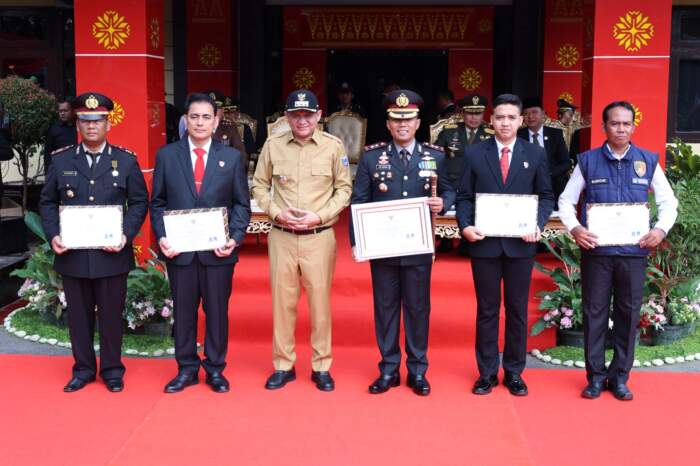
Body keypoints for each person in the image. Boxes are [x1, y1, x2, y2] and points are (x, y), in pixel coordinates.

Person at [558, 101, 678, 401]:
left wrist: (660, 230)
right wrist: (576, 229)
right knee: (595, 313)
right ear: (604, 127)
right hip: (597, 253)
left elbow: (669, 203)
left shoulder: (647, 161)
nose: (621, 129)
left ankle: (620, 377)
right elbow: (565, 201)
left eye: (626, 124)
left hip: (633, 252)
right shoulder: (588, 161)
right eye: (615, 124)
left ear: (633, 127)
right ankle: (595, 377)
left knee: (628, 313)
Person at [38, 92, 148, 393]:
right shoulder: (61, 161)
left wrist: (125, 235)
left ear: (107, 125)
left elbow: (139, 202)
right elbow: (47, 202)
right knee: (78, 317)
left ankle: (112, 370)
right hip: (73, 253)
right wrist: (53, 235)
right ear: (78, 124)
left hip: (111, 254)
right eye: (85, 121)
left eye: (97, 121)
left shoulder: (125, 161)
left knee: (112, 316)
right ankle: (83, 369)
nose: (91, 127)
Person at [350, 89, 456, 396]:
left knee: (417, 308)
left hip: (418, 246)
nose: (403, 125)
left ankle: (418, 370)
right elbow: (359, 201)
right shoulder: (372, 157)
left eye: (408, 119)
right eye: (397, 120)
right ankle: (388, 368)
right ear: (388, 123)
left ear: (419, 121)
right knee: (385, 309)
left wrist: (442, 204)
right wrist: (358, 242)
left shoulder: (434, 155)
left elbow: (449, 191)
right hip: (382, 248)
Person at [252, 89, 352, 392]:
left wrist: (319, 217)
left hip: (318, 238)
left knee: (320, 305)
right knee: (283, 304)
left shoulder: (333, 147)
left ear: (319, 116)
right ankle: (283, 364)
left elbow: (344, 189)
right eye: (296, 115)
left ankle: (322, 365)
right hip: (282, 235)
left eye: (308, 114)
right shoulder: (273, 145)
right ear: (287, 117)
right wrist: (276, 213)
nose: (302, 120)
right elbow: (259, 186)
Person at [150, 92, 251, 394]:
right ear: (185, 120)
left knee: (217, 312)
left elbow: (241, 205)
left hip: (217, 252)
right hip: (180, 251)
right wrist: (162, 237)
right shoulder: (167, 155)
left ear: (216, 120)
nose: (200, 122)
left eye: (206, 117)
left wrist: (234, 238)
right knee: (184, 311)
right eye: (194, 116)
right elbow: (158, 203)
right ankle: (186, 368)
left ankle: (216, 369)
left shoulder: (231, 158)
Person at [456, 93, 554, 397]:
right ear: (492, 120)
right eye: (500, 117)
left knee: (517, 311)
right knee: (486, 310)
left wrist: (536, 225)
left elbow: (546, 196)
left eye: (512, 117)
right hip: (484, 244)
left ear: (521, 120)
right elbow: (463, 197)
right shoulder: (474, 153)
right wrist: (465, 226)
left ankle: (514, 371)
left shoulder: (534, 154)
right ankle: (486, 372)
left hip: (520, 246)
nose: (506, 123)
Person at [434, 94, 494, 254]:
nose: (474, 117)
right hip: (452, 183)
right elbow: (436, 157)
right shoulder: (449, 132)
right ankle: (445, 239)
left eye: (478, 113)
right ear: (462, 113)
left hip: (479, 185)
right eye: (470, 113)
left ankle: (471, 239)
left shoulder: (491, 134)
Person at [517, 97, 570, 201]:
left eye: (534, 112)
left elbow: (565, 163)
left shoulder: (555, 134)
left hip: (552, 186)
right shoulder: (518, 136)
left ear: (543, 113)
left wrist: (547, 174)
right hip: (526, 188)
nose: (530, 116)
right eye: (526, 113)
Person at [207, 90, 248, 169]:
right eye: (209, 108)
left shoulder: (229, 127)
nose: (213, 111)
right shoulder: (195, 128)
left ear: (222, 111)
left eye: (217, 108)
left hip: (223, 172)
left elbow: (242, 157)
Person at [44, 99, 77, 173]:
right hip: (61, 171)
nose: (62, 113)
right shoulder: (54, 129)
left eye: (65, 111)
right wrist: (48, 173)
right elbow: (47, 153)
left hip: (79, 170)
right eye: (60, 111)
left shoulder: (80, 127)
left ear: (73, 111)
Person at [557, 99, 581, 164]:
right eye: (570, 115)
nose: (572, 118)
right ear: (560, 115)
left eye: (573, 115)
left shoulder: (573, 127)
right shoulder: (552, 127)